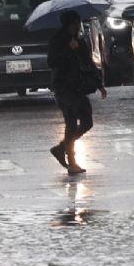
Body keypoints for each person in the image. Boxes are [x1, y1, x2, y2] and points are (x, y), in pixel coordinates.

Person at [47, 10, 107, 174]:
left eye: (78, 23)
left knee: (87, 122)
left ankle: (61, 148)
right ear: (67, 24)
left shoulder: (79, 40)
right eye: (74, 23)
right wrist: (68, 49)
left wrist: (99, 84)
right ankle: (72, 162)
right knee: (71, 123)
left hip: (79, 87)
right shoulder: (58, 40)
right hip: (64, 88)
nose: (77, 26)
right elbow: (52, 61)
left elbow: (88, 62)